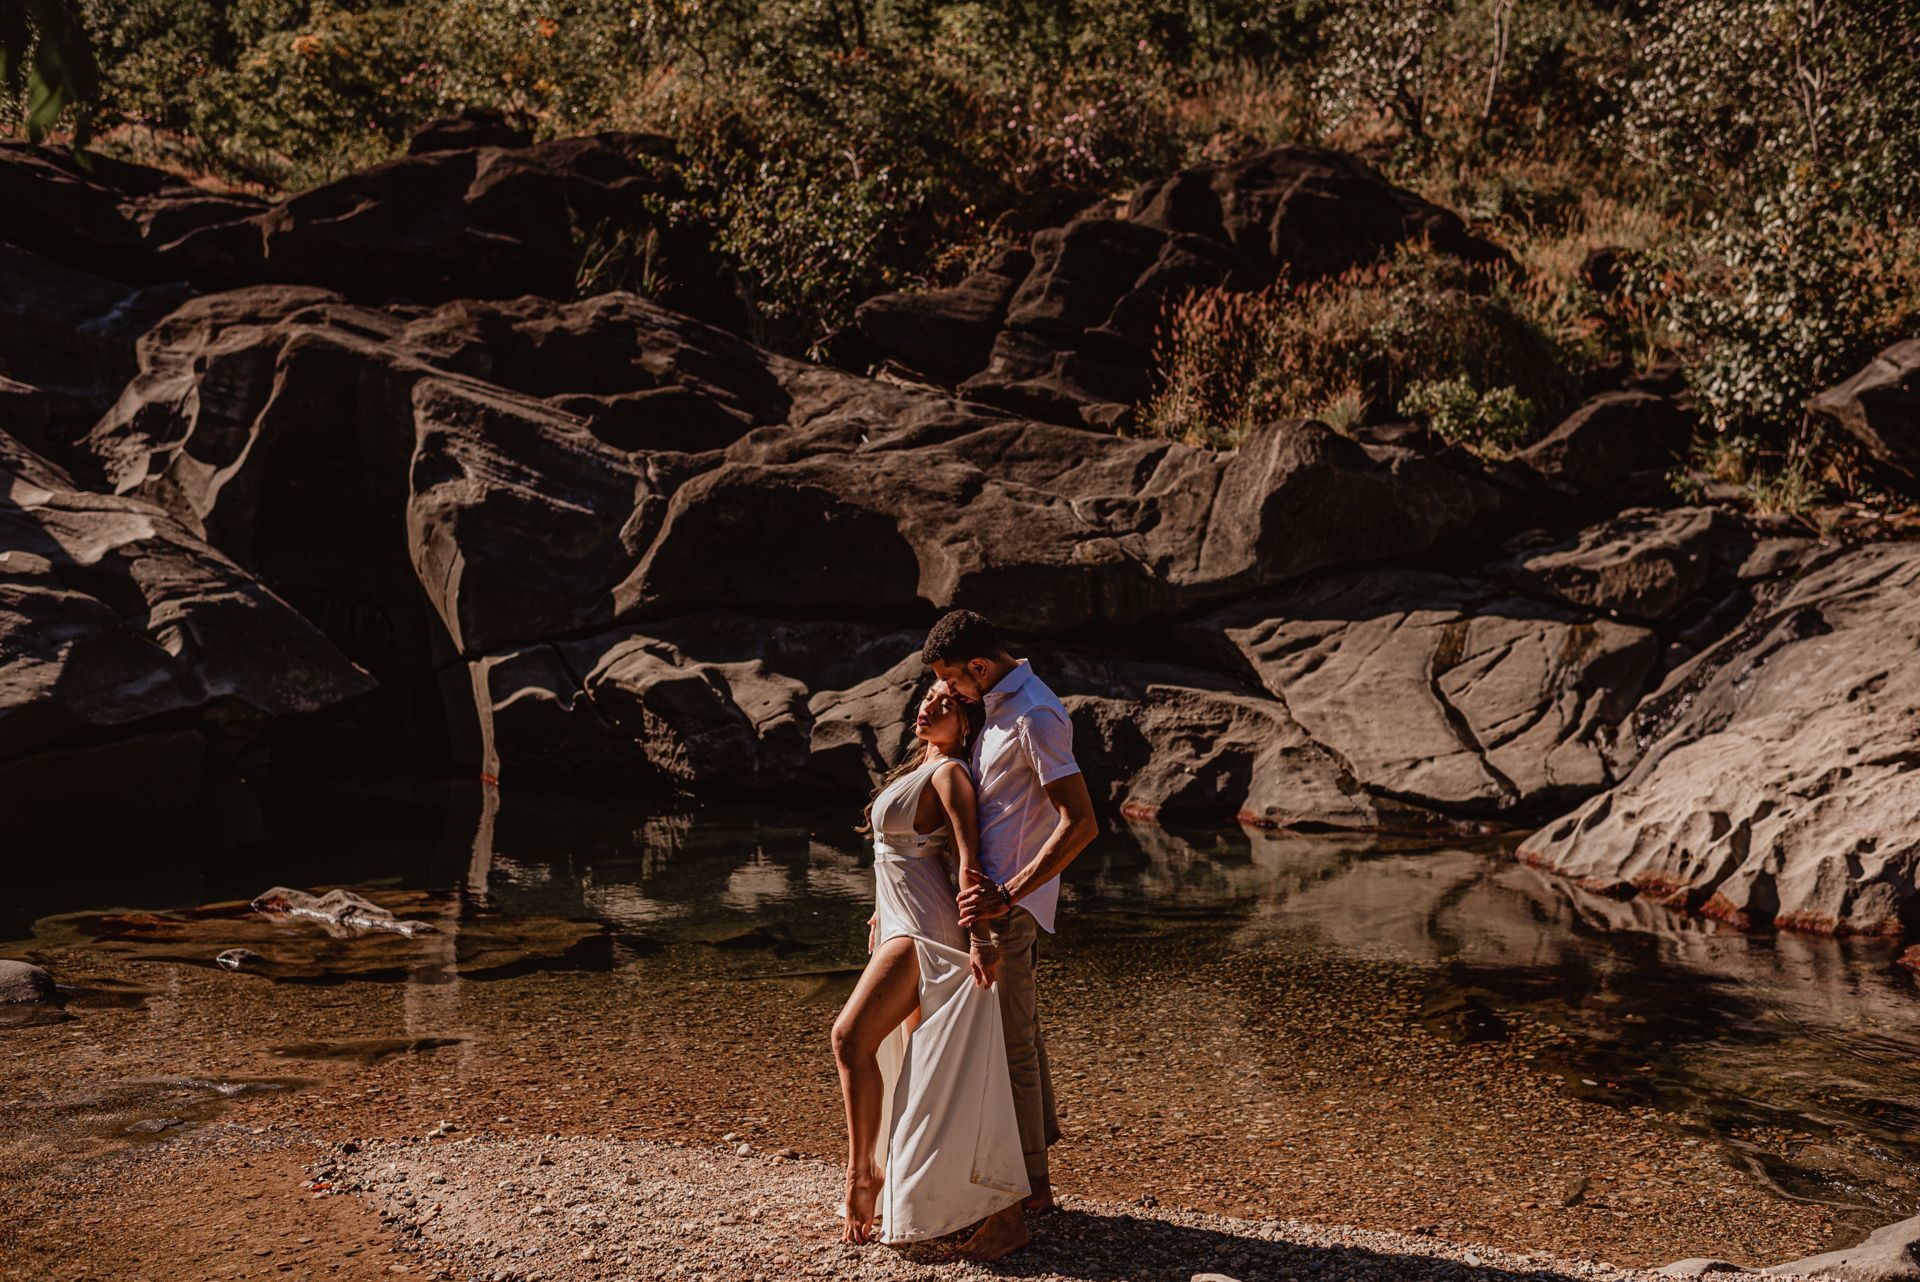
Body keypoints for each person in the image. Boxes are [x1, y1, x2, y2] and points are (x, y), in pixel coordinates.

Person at [923, 608, 1100, 1262]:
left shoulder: (1033, 714)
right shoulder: (996, 707)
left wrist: (1011, 891)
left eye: (952, 679)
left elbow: (1080, 823)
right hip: (988, 908)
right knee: (1017, 1039)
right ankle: (1033, 1183)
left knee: (1009, 1049)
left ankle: (1026, 1194)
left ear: (977, 664)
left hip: (1010, 910)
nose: (952, 693)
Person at [830, 682, 1030, 1247]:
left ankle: (862, 1176)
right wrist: (876, 912)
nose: (929, 706)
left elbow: (969, 862)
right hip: (897, 920)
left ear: (966, 720)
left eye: (946, 701)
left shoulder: (950, 776)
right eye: (927, 696)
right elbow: (895, 857)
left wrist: (981, 937)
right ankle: (974, 1203)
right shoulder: (922, 767)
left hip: (926, 931)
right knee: (928, 1073)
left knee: (850, 1038)